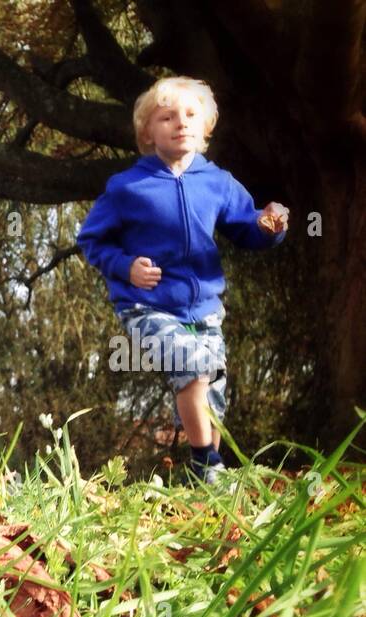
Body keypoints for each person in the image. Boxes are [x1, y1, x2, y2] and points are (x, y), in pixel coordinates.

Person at [77, 76, 288, 484]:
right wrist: (125, 266)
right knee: (192, 369)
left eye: (191, 115)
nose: (181, 123)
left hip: (206, 309)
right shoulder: (127, 187)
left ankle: (201, 477)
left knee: (213, 397)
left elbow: (248, 227)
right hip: (146, 305)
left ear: (205, 126)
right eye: (167, 116)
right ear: (147, 131)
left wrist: (270, 225)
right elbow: (91, 239)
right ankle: (207, 463)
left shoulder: (217, 182)